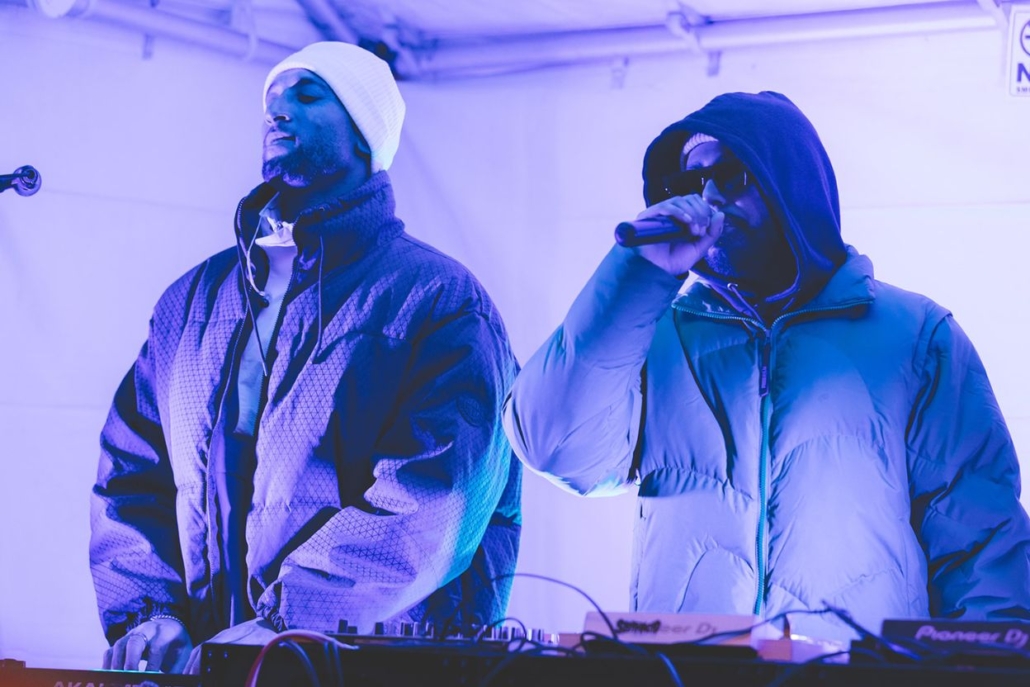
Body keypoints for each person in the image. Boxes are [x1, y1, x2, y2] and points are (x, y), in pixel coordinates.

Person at [503, 91, 1030, 641]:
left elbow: (982, 543)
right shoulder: (656, 334)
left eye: (731, 175)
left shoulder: (916, 337)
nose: (708, 195)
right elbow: (553, 443)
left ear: (790, 183)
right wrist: (638, 277)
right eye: (692, 182)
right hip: (688, 676)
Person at [91, 41, 521, 674]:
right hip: (214, 668)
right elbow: (129, 472)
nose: (277, 110)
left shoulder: (440, 300)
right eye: (270, 97)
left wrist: (287, 624)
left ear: (364, 133)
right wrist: (151, 613)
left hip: (378, 668)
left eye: (308, 94)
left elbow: (437, 499)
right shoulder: (189, 302)